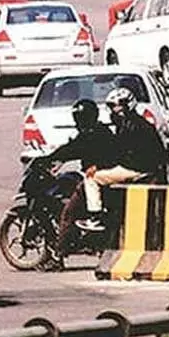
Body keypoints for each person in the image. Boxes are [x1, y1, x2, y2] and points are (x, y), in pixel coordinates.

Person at [77, 86, 167, 232]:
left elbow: (119, 153)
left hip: (137, 168)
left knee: (91, 178)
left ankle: (95, 216)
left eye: (118, 105)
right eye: (112, 106)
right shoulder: (137, 123)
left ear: (128, 104)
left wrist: (98, 166)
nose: (115, 110)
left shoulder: (130, 125)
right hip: (145, 167)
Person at [48, 99, 118, 245]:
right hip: (105, 176)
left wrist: (50, 158)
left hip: (98, 178)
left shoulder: (92, 134)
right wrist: (56, 157)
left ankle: (60, 251)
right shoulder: (100, 130)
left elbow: (73, 149)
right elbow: (72, 148)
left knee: (68, 213)